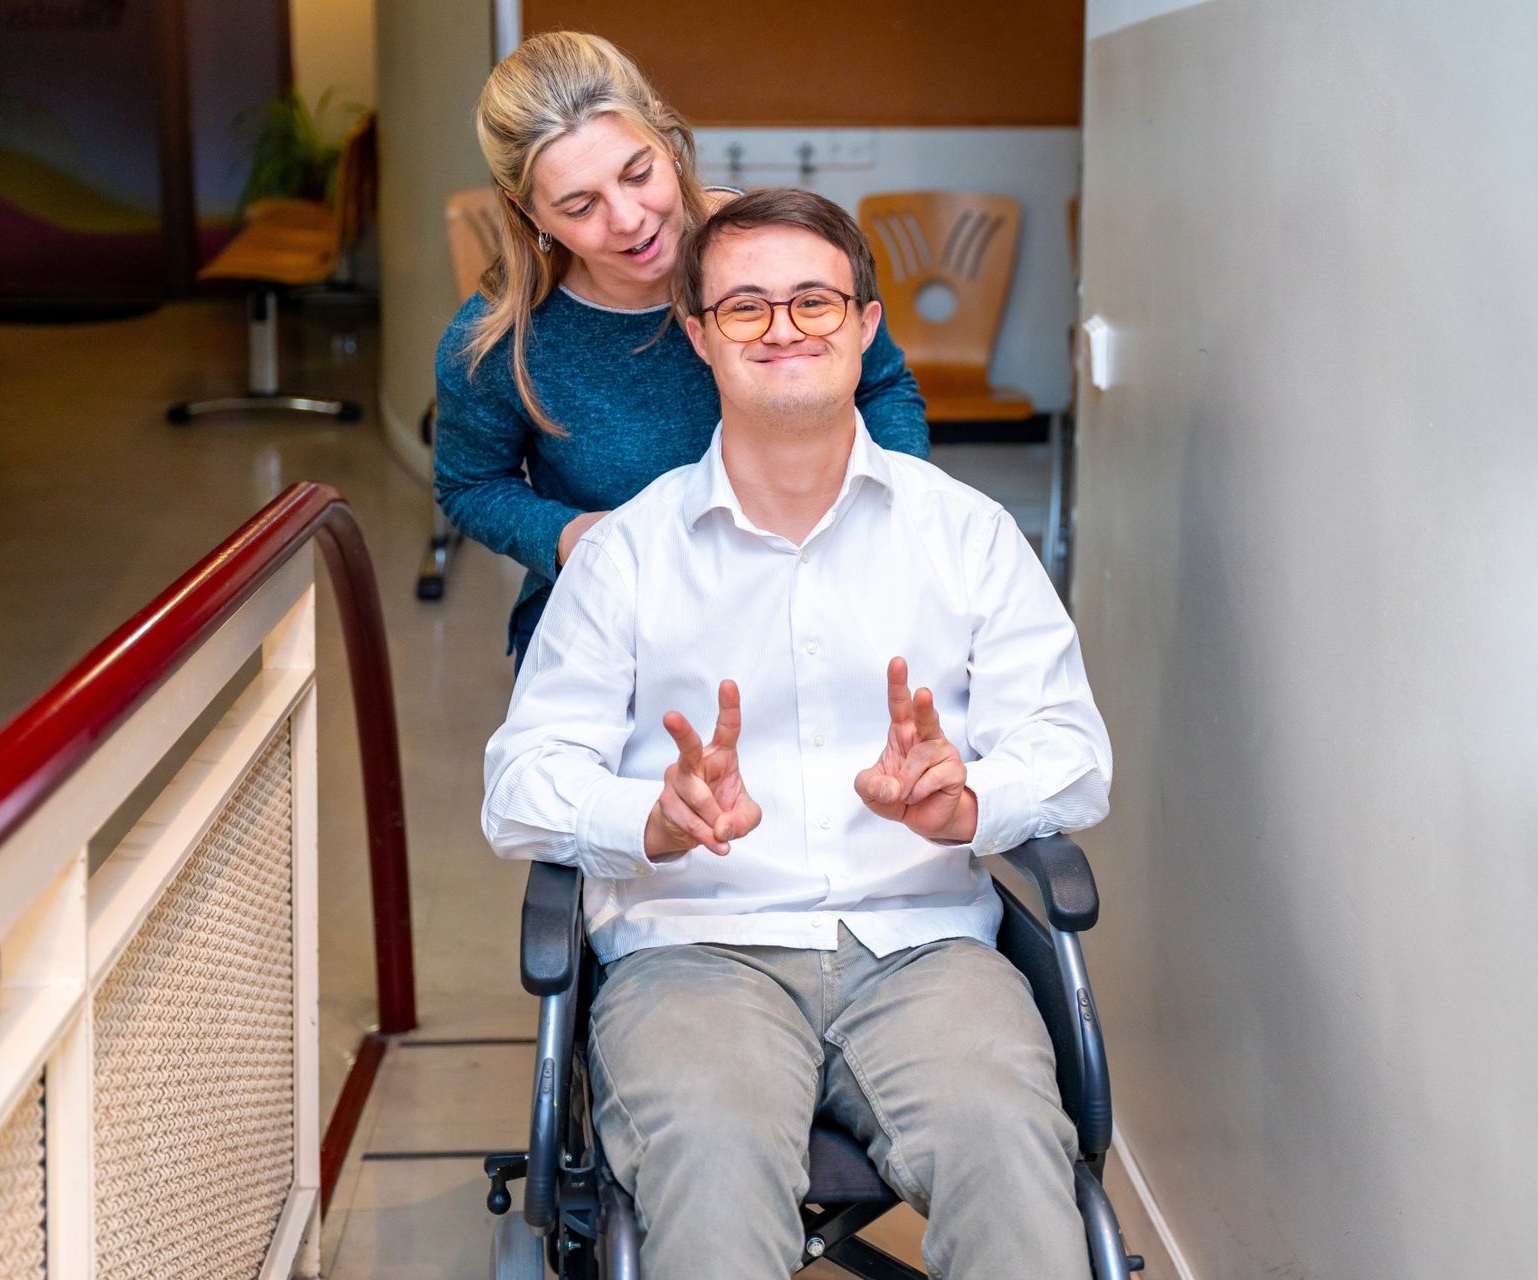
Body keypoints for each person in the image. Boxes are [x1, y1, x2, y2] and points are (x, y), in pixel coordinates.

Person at [481, 188, 1112, 1279]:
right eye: (746, 308)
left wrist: (975, 802)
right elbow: (520, 786)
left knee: (1011, 1149)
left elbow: (1071, 749)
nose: (783, 328)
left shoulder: (965, 537)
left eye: (814, 300)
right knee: (713, 1175)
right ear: (699, 337)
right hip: (691, 952)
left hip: (924, 948)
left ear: (866, 325)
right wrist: (653, 818)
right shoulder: (627, 557)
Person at [433, 31, 928, 662]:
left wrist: (895, 506)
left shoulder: (779, 253)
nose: (628, 218)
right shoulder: (499, 343)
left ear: (667, 140)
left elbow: (882, 384)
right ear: (529, 213)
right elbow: (470, 484)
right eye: (580, 206)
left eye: (638, 174)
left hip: (812, 606)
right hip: (617, 631)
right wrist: (567, 536)